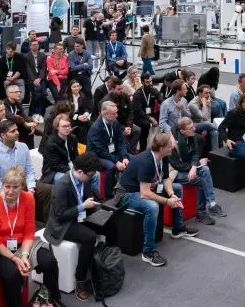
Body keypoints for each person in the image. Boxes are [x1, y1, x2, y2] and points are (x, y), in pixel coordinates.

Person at [0, 166, 70, 307]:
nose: (10, 191)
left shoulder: (28, 199)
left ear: (22, 187)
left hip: (24, 244)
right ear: (2, 185)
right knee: (12, 274)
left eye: (15, 187)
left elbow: (29, 231)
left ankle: (55, 298)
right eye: (7, 186)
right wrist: (15, 259)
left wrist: (24, 255)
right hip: (2, 250)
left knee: (49, 261)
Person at [115, 131, 199, 267]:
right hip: (126, 193)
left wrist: (171, 195)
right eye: (170, 146)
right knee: (152, 207)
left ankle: (178, 229)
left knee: (177, 188)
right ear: (161, 148)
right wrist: (167, 201)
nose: (173, 147)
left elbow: (166, 179)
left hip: (145, 187)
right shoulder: (147, 161)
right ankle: (148, 251)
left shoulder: (163, 156)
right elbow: (145, 193)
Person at [45, 151, 102, 301]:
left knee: (108, 223)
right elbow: (60, 215)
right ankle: (80, 279)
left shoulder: (85, 179)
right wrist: (82, 206)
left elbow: (88, 199)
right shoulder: (62, 185)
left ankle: (102, 265)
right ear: (80, 171)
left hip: (79, 217)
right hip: (63, 224)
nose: (92, 177)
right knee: (89, 237)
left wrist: (100, 209)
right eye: (90, 174)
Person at [170, 117, 225, 224]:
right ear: (182, 131)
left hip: (187, 167)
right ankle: (201, 212)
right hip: (174, 172)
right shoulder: (172, 144)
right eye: (191, 128)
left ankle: (212, 203)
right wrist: (193, 166)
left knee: (205, 169)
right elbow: (177, 165)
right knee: (201, 181)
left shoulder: (191, 136)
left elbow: (195, 153)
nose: (194, 129)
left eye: (193, 127)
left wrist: (194, 166)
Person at [87, 100, 130, 195]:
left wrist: (124, 157)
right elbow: (100, 150)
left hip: (111, 152)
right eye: (114, 114)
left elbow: (120, 142)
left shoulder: (115, 122)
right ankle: (108, 193)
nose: (117, 115)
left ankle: (127, 186)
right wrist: (116, 161)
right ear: (105, 114)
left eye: (116, 112)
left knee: (131, 159)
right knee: (111, 166)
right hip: (97, 155)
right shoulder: (96, 128)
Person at [0, 120, 35, 194]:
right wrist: (12, 193)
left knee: (48, 190)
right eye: (13, 131)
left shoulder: (23, 147)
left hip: (20, 186)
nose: (17, 132)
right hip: (0, 190)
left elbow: (29, 170)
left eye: (17, 130)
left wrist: (31, 189)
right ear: (3, 135)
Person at [98, 76, 140, 153]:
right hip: (113, 126)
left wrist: (129, 126)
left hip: (125, 124)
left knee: (137, 130)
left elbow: (130, 111)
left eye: (122, 88)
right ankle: (126, 152)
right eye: (119, 89)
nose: (122, 91)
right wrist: (123, 129)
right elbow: (108, 120)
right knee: (121, 135)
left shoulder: (125, 96)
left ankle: (129, 152)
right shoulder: (106, 102)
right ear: (112, 89)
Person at [132, 73, 162, 151]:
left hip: (151, 114)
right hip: (140, 116)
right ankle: (143, 148)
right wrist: (150, 118)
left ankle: (158, 145)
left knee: (162, 120)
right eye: (147, 82)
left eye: (151, 81)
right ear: (142, 82)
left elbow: (161, 101)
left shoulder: (154, 91)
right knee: (146, 124)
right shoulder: (138, 94)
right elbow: (138, 111)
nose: (150, 83)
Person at [188, 84, 221, 149]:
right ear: (200, 93)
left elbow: (208, 117)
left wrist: (205, 129)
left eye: (209, 93)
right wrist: (205, 105)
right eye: (206, 93)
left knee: (215, 132)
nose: (208, 95)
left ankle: (215, 152)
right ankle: (221, 129)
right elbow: (202, 116)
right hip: (193, 124)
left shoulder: (207, 100)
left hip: (204, 124)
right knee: (207, 124)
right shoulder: (193, 104)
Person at [24, 39, 47, 116]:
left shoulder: (43, 55)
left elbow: (43, 68)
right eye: (33, 45)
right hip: (31, 79)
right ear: (30, 46)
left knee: (43, 95)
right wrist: (34, 80)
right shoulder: (26, 56)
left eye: (36, 44)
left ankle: (40, 113)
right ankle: (32, 113)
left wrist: (39, 78)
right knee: (37, 95)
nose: (35, 46)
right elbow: (28, 69)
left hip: (41, 77)